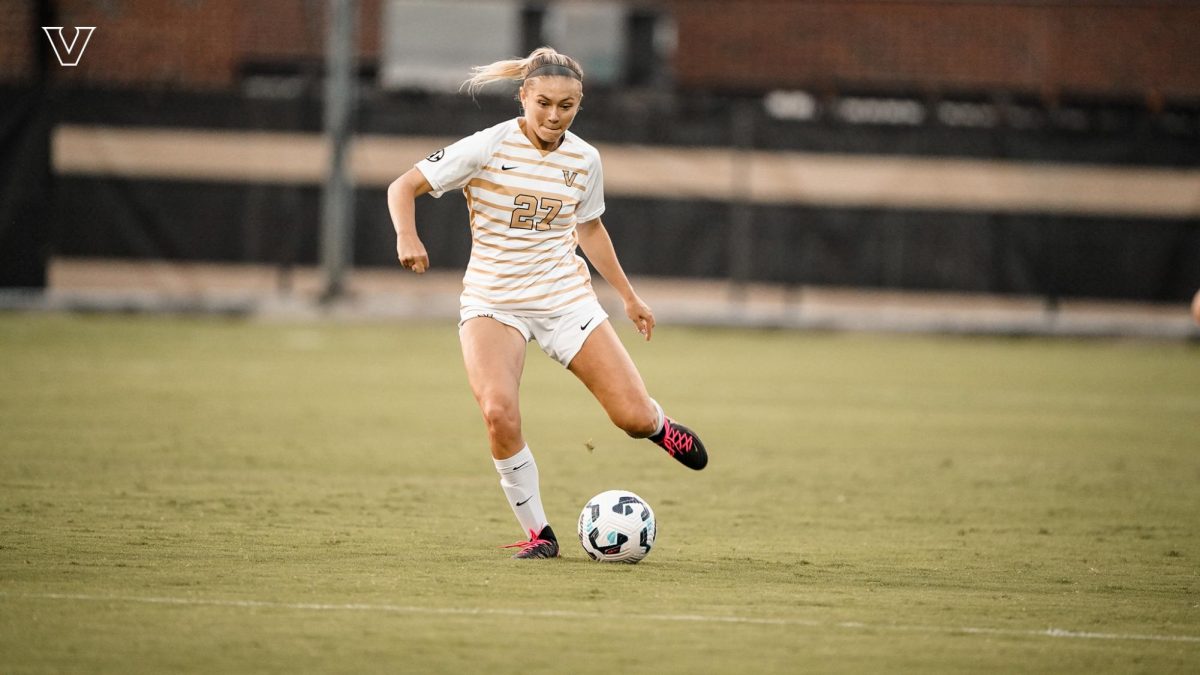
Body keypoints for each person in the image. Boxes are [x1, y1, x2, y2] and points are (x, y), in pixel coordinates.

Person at [386, 47, 709, 559]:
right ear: (523, 97)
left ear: (579, 105)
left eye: (566, 106)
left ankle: (658, 425)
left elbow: (589, 226)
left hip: (565, 300)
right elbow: (402, 187)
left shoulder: (584, 159)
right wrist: (408, 236)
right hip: (494, 302)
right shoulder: (487, 146)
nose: (554, 116)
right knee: (498, 412)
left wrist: (628, 296)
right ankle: (540, 533)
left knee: (629, 419)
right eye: (543, 104)